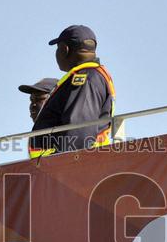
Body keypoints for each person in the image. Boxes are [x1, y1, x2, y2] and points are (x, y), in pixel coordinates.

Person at [29, 25, 115, 157]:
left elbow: (78, 134)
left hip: (63, 168)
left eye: (57, 49)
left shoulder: (85, 79)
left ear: (64, 49)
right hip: (55, 167)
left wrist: (64, 165)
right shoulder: (90, 77)